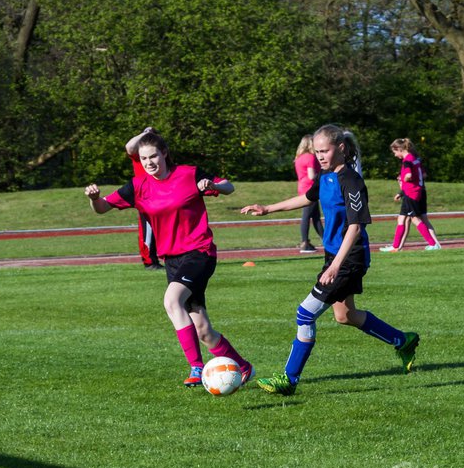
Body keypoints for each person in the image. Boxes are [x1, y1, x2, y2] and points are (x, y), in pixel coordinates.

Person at [240, 124, 420, 395]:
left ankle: (289, 379)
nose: (320, 156)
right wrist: (268, 208)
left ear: (341, 148)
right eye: (317, 151)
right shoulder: (325, 176)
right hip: (335, 256)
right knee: (345, 315)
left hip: (350, 258)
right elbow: (306, 197)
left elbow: (356, 227)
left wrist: (336, 266)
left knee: (305, 313)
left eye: (325, 150)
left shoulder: (352, 180)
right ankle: (402, 340)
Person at [85, 130, 253, 387]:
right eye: (143, 159)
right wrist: (94, 199)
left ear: (164, 154)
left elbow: (229, 186)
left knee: (171, 300)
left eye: (153, 156)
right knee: (204, 331)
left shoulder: (188, 174)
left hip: (199, 252)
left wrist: (213, 185)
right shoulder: (138, 186)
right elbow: (102, 208)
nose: (149, 163)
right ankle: (243, 367)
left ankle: (196, 367)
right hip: (172, 260)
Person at [381, 138, 441, 252]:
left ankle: (433, 244)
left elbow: (408, 175)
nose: (394, 155)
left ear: (399, 149)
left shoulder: (407, 160)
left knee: (415, 219)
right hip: (412, 191)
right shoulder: (415, 159)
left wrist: (403, 179)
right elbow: (423, 175)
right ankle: (395, 247)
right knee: (401, 219)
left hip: (411, 193)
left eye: (394, 152)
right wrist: (401, 192)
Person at [125, 127, 162, 269]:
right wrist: (145, 134)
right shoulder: (139, 155)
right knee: (149, 229)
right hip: (146, 194)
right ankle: (150, 261)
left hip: (162, 193)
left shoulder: (157, 153)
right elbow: (129, 146)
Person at [293, 135, 322, 253]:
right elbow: (311, 175)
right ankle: (304, 242)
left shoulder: (299, 157)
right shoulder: (311, 157)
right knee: (307, 216)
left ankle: (326, 239)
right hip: (310, 189)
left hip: (302, 187)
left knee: (315, 217)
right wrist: (323, 175)